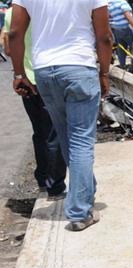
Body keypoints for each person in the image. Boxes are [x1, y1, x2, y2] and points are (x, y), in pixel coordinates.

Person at [9, 0, 113, 231]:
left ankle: (85, 189)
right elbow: (104, 36)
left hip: (45, 70)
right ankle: (80, 212)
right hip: (79, 67)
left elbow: (15, 33)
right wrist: (105, 72)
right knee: (81, 140)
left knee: (66, 136)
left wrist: (18, 73)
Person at [3, 6, 66, 199]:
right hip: (50, 75)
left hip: (26, 78)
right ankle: (54, 186)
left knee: (40, 131)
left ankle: (42, 178)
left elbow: (7, 47)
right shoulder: (51, 7)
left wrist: (19, 73)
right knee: (55, 133)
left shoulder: (12, 12)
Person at [108, 0, 133, 70]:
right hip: (126, 28)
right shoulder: (122, 2)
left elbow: (108, 17)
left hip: (116, 29)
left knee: (121, 48)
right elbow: (127, 15)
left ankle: (122, 66)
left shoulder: (108, 4)